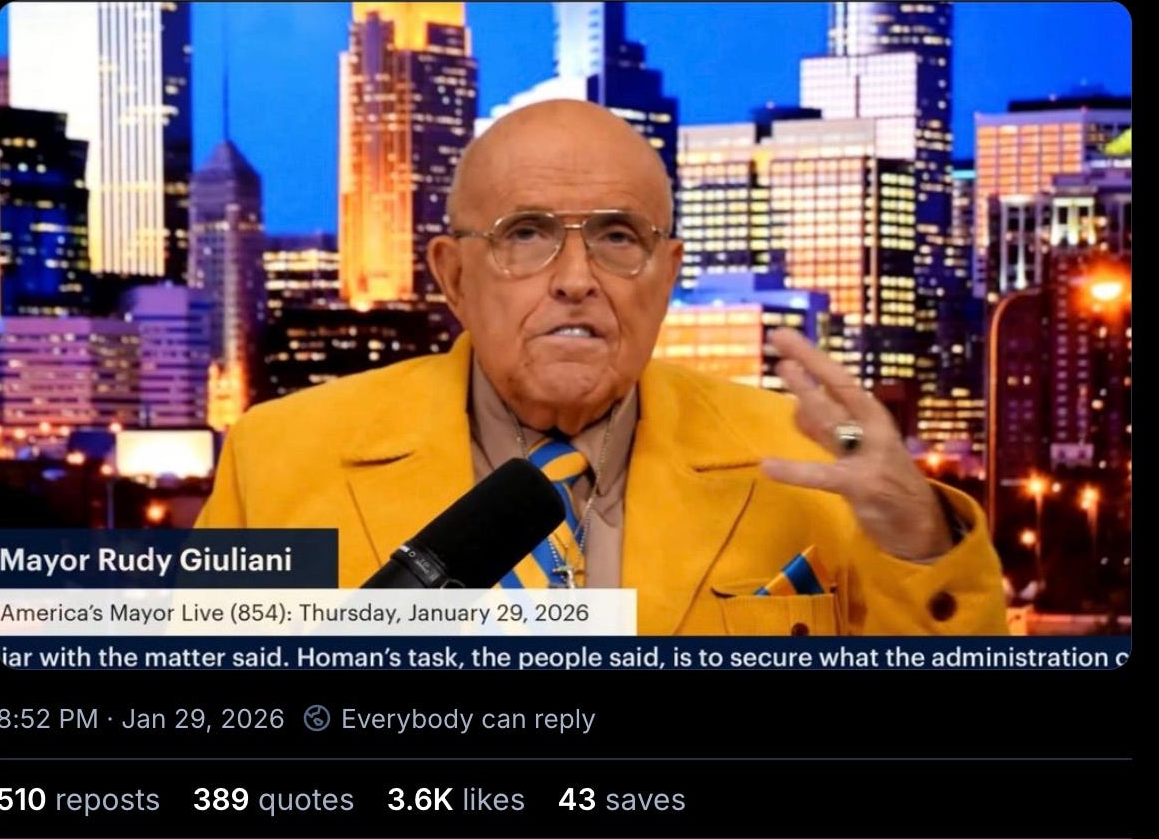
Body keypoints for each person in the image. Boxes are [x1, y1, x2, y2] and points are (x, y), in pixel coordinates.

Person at [196, 99, 1008, 635]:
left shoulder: (812, 464)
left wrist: (919, 541)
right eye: (526, 234)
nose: (576, 279)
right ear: (452, 276)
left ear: (668, 273)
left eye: (619, 237)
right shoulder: (279, 458)